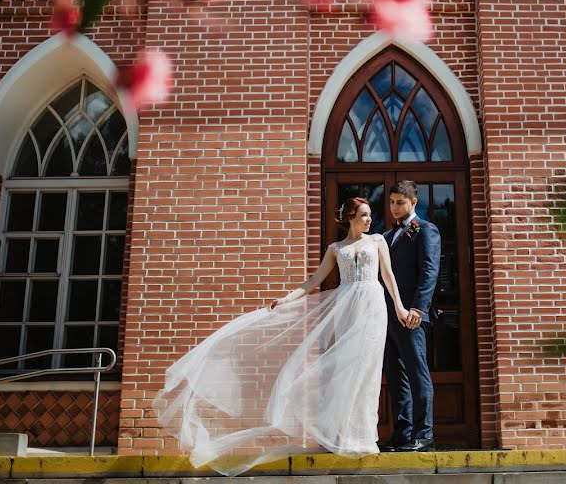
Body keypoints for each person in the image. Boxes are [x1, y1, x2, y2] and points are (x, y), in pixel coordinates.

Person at [154, 197, 411, 475]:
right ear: (350, 217)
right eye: (364, 215)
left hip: (372, 307)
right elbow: (313, 281)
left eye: (370, 215)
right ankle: (341, 437)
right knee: (344, 370)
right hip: (345, 309)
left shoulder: (377, 242)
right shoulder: (336, 249)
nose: (369, 219)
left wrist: (398, 305)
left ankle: (363, 438)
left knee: (366, 371)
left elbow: (388, 276)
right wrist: (285, 299)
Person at [380, 180, 441, 452]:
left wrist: (418, 308)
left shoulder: (425, 230)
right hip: (388, 317)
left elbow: (429, 271)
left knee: (417, 374)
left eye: (400, 202)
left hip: (412, 316)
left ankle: (423, 433)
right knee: (396, 377)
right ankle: (402, 434)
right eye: (392, 202)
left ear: (413, 202)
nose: (395, 207)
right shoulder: (386, 237)